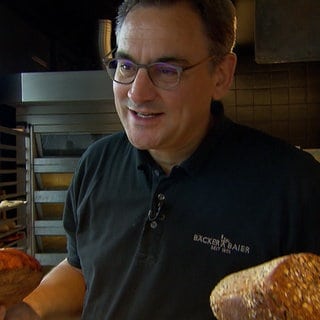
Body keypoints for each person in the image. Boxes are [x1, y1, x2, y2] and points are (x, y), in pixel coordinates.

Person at [1, 0, 320, 319]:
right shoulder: (96, 164)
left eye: (167, 70)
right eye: (126, 66)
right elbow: (82, 269)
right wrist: (26, 310)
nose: (137, 94)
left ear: (221, 74)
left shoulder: (294, 186)